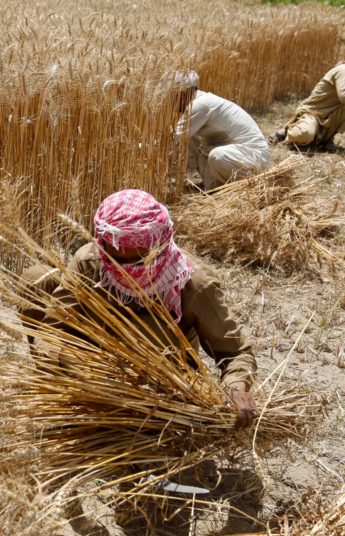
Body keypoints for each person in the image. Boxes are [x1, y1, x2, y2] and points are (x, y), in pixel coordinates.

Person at [18, 189, 259, 430]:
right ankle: (66, 397)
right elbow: (52, 332)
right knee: (36, 279)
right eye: (116, 261)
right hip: (97, 363)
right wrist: (74, 365)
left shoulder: (192, 282)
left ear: (160, 246)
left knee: (145, 329)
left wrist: (235, 389)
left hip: (159, 377)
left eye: (137, 262)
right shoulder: (90, 261)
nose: (126, 272)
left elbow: (236, 353)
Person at [173, 71, 271, 191]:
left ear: (184, 93)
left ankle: (244, 187)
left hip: (254, 157)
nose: (171, 102)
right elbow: (177, 137)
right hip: (237, 152)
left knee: (217, 156)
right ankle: (214, 187)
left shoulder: (200, 104)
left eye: (173, 96)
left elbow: (174, 139)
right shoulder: (201, 101)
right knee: (189, 141)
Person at [268, 62, 345, 151]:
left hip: (330, 117)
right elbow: (343, 97)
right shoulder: (342, 70)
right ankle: (285, 133)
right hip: (313, 114)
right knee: (303, 135)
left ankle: (327, 139)